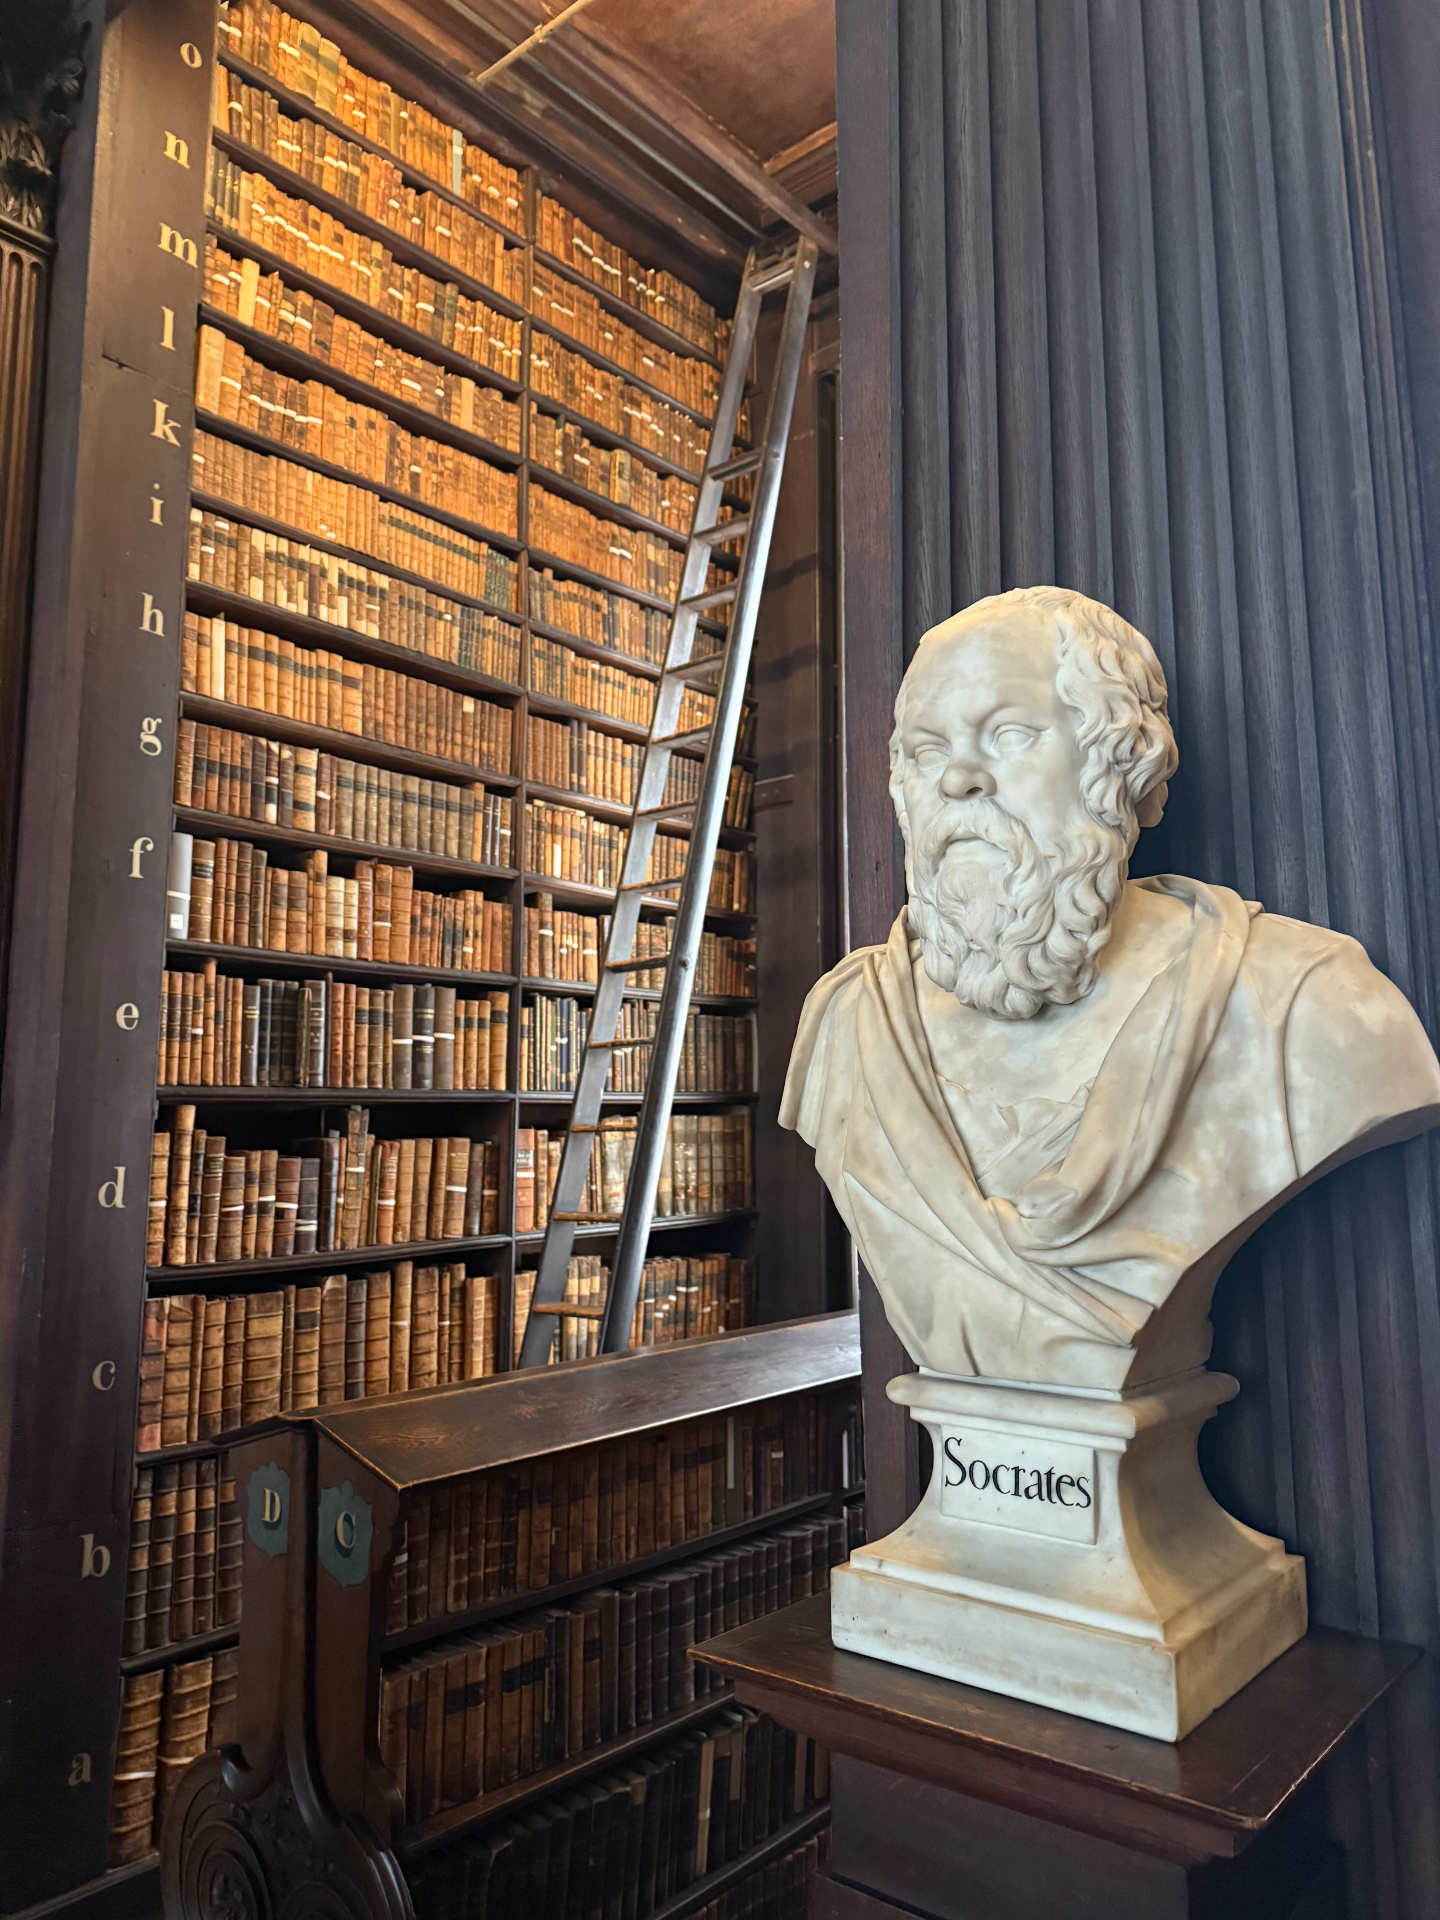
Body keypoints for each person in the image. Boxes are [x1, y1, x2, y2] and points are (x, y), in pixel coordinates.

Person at [781, 586, 1440, 1387]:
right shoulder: (850, 1027)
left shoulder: (1302, 1009)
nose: (957, 779)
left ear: (1114, 763)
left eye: (1009, 734)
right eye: (925, 751)